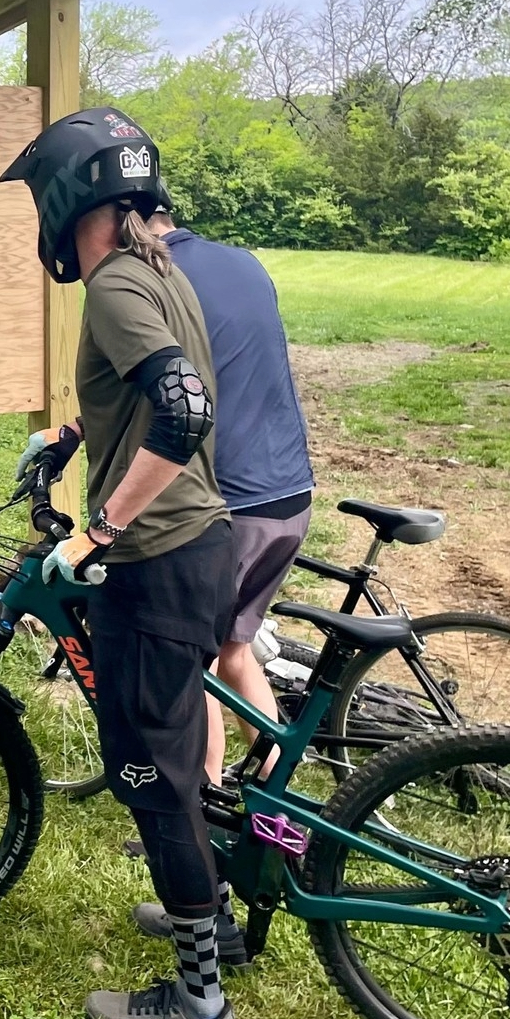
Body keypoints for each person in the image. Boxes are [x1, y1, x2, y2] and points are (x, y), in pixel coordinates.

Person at [3, 109, 239, 1019]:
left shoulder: (111, 286)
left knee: (153, 776)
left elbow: (182, 411)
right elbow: (147, 403)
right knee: (170, 760)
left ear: (70, 200)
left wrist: (101, 528)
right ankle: (211, 913)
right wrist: (73, 439)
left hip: (159, 556)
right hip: (198, 545)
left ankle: (200, 1001)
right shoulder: (160, 271)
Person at [146, 195, 314, 787]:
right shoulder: (243, 261)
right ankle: (276, 792)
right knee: (233, 651)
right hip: (290, 492)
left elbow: (165, 401)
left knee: (193, 664)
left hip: (232, 502)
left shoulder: (157, 278)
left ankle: (205, 800)